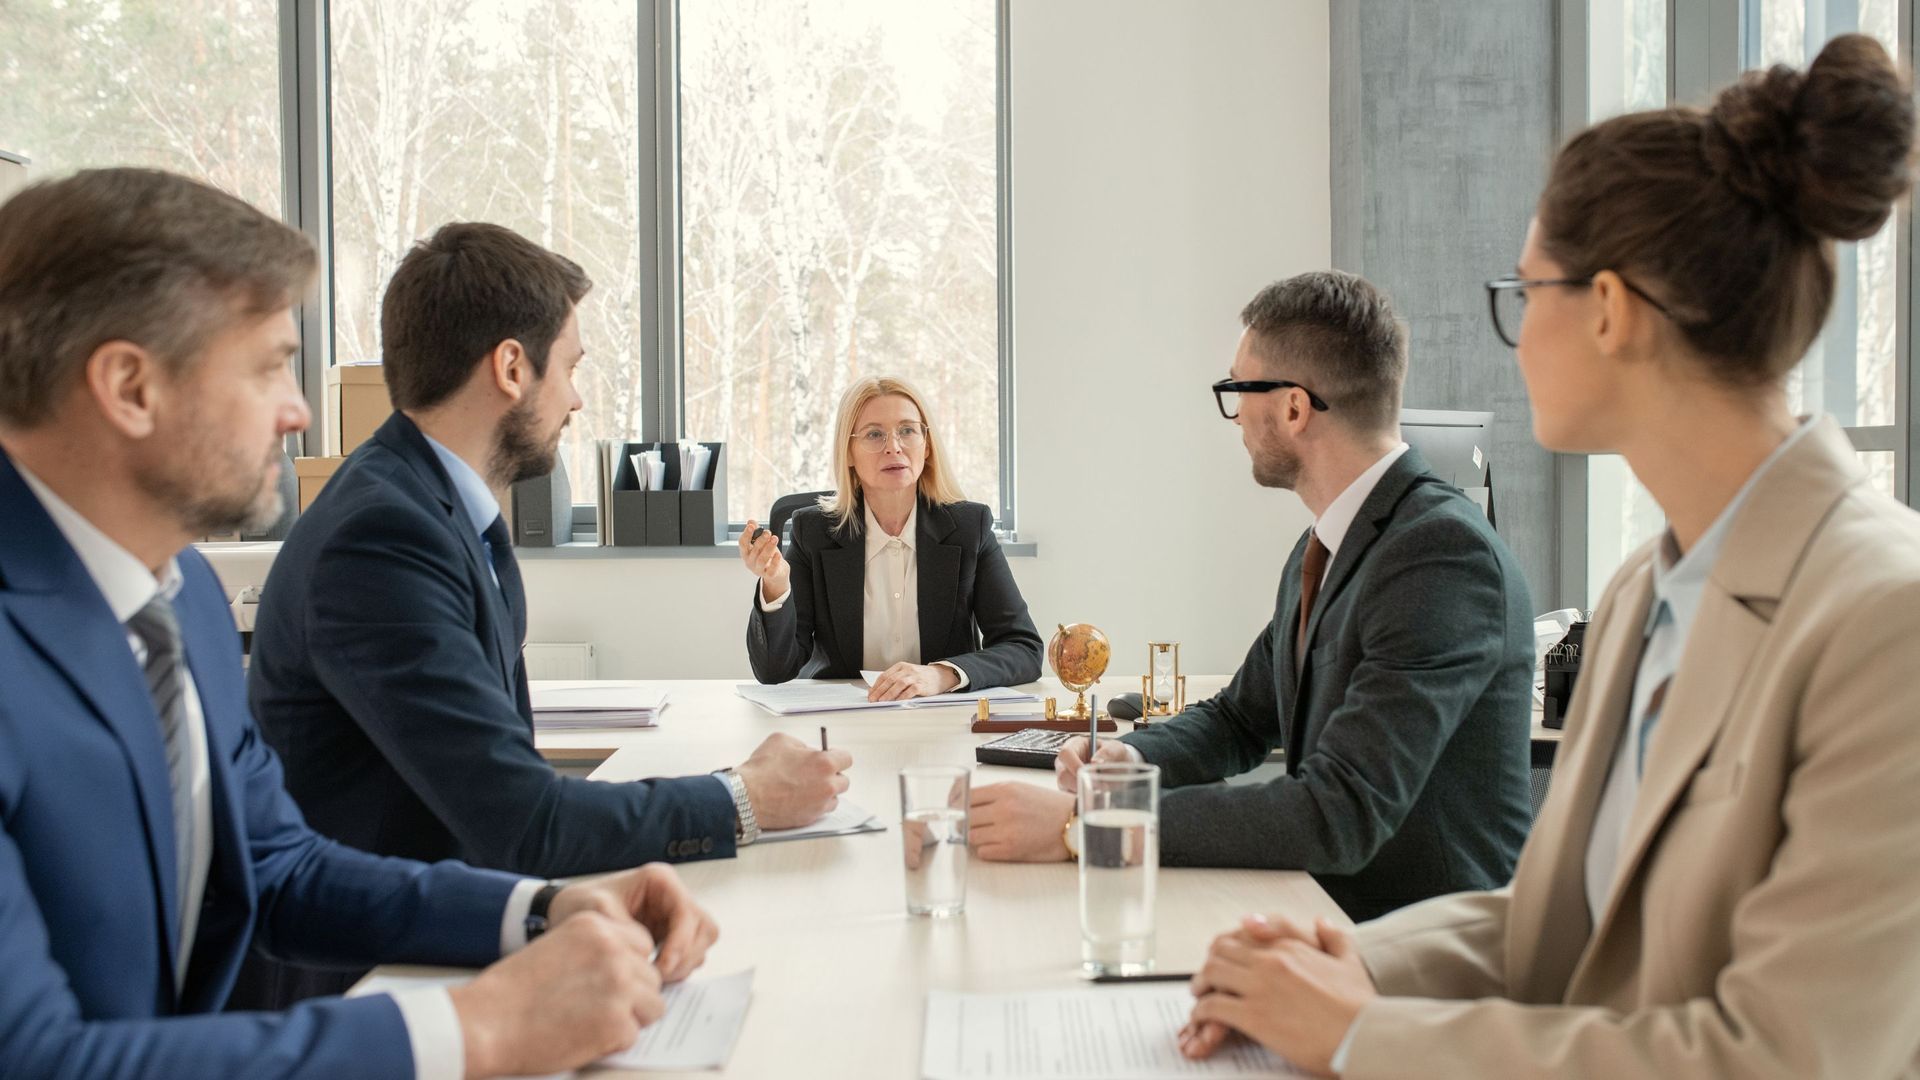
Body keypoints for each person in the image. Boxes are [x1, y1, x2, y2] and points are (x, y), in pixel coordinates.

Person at [1179, 35, 1920, 1078]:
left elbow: (1781, 1057)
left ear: (1610, 310)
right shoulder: (1641, 595)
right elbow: (1559, 918)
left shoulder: (1888, 619)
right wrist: (1351, 960)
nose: (1515, 337)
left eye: (1524, 295)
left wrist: (1360, 1031)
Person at [0, 166, 720, 1079]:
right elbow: (34, 1059)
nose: (299, 412)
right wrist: (477, 1030)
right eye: (268, 366)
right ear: (131, 387)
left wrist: (539, 910)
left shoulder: (175, 594)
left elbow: (280, 867)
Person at [241, 222, 849, 1004]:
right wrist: (743, 797)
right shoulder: (381, 536)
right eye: (569, 367)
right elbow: (522, 821)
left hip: (452, 930)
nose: (576, 397)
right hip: (369, 982)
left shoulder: (432, 508)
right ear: (510, 367)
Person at [967, 271, 1535, 922]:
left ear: (1293, 408)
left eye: (1237, 390)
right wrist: (1133, 754)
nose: (1234, 415)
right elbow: (1241, 719)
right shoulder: (1326, 543)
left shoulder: (1440, 559)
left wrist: (1086, 820)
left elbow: (1339, 811)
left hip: (1420, 957)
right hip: (1325, 917)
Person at [741, 375, 1043, 701]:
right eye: (874, 434)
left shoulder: (971, 527)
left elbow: (1023, 649)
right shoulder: (813, 532)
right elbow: (774, 671)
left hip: (941, 716)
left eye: (907, 431)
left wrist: (941, 675)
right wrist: (775, 587)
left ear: (926, 446)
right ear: (848, 453)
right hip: (841, 721)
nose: (894, 447)